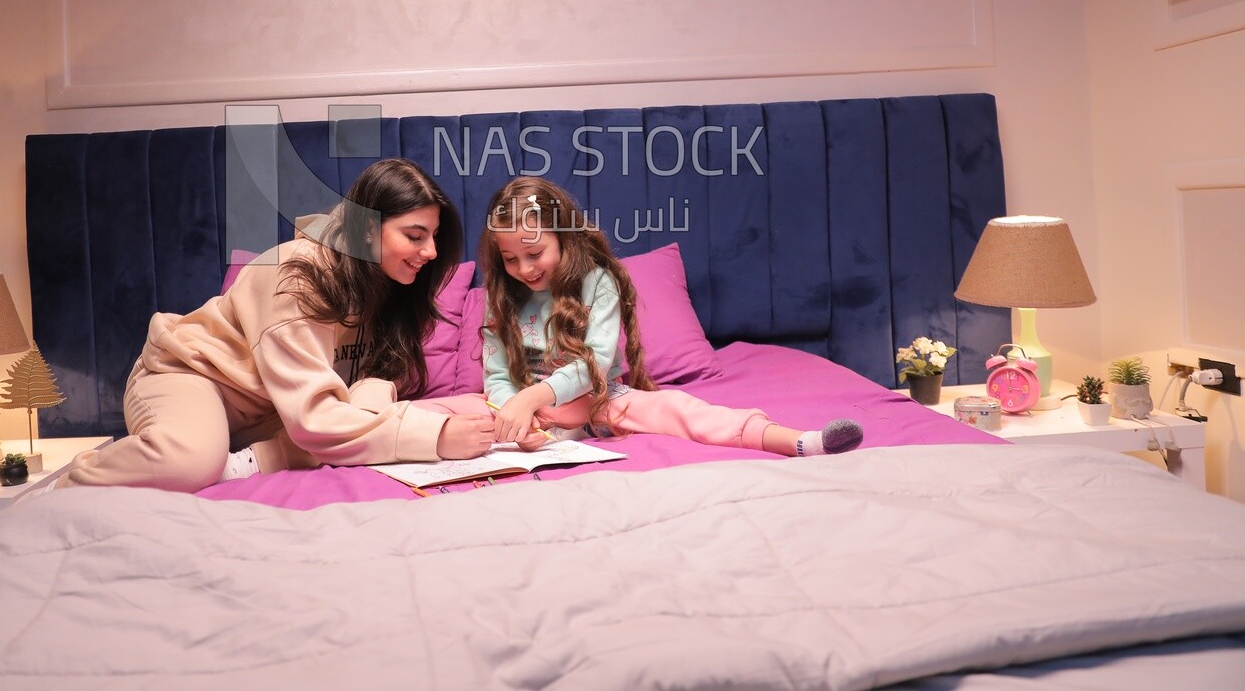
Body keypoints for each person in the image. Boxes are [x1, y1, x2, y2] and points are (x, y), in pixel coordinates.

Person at [61, 158, 496, 492]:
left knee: (356, 435)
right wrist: (434, 437)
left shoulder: (385, 284)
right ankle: (67, 485)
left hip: (273, 405)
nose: (432, 252)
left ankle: (245, 462)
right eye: (415, 235)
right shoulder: (294, 275)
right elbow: (314, 420)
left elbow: (370, 380)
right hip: (195, 377)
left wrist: (375, 406)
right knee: (190, 462)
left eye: (434, 237)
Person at [473, 176, 863, 458]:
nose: (524, 269)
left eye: (535, 253)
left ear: (562, 236)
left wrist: (532, 398)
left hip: (600, 401)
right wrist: (518, 416)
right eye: (510, 259)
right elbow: (496, 376)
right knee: (452, 417)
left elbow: (596, 362)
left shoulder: (597, 283)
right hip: (533, 414)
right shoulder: (502, 299)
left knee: (678, 409)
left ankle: (797, 441)